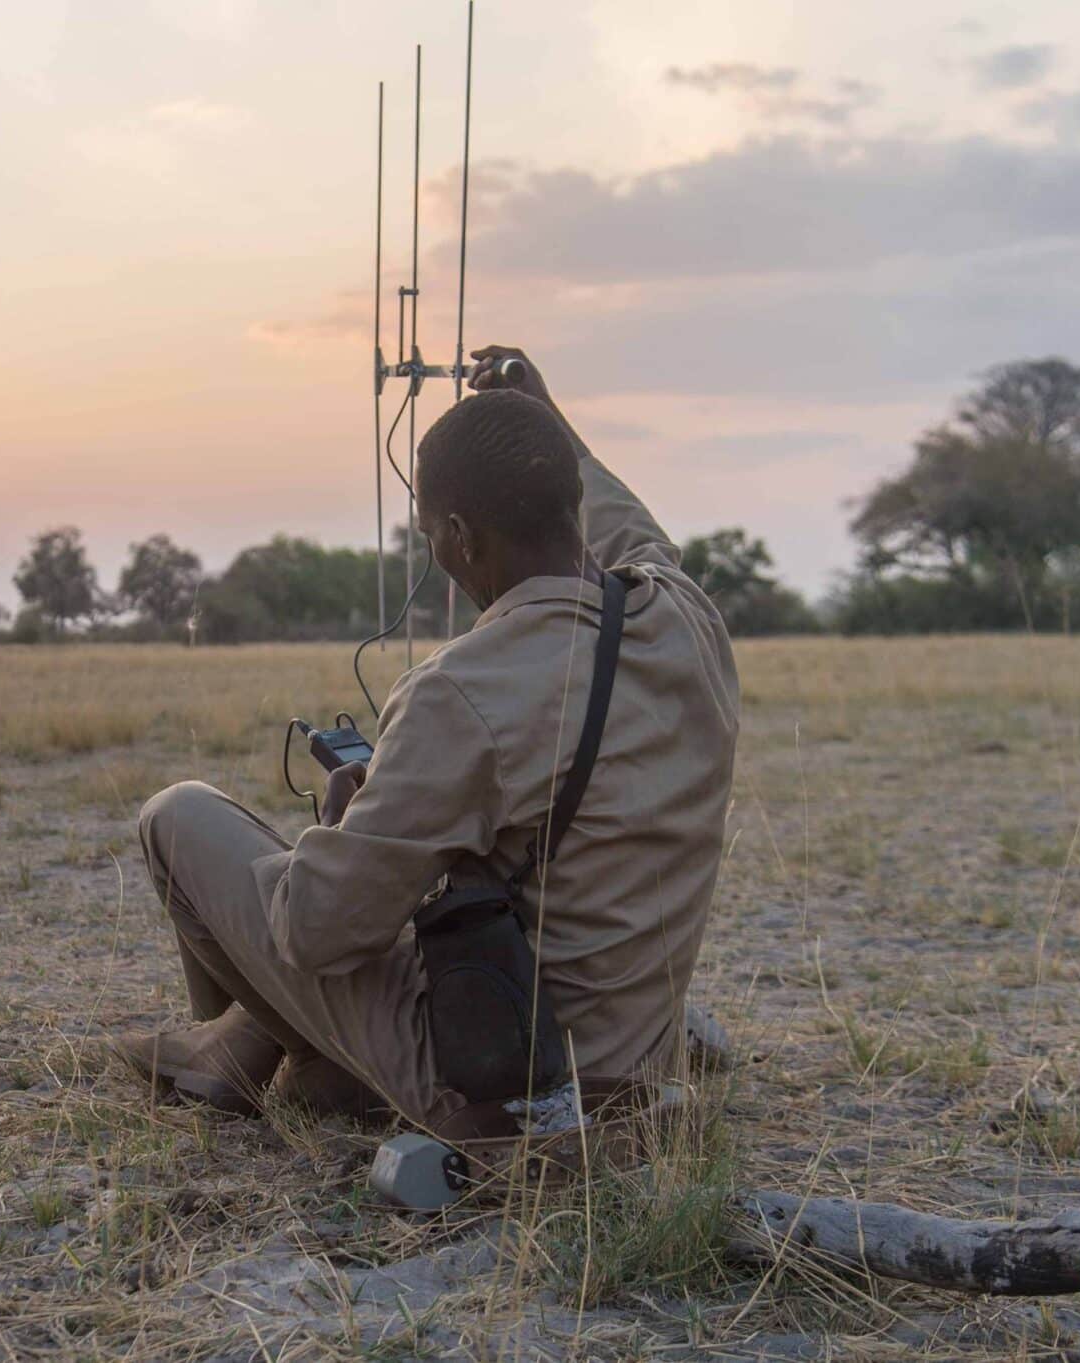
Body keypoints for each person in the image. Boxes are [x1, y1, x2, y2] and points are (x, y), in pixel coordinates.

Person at [117, 346, 740, 1140]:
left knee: (179, 815)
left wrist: (343, 822)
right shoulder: (686, 617)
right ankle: (250, 1044)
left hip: (506, 1084)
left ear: (458, 534)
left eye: (430, 537)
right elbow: (631, 527)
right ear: (568, 504)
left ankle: (238, 1043)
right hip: (641, 1070)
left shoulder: (461, 691)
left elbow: (316, 928)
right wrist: (554, 422)